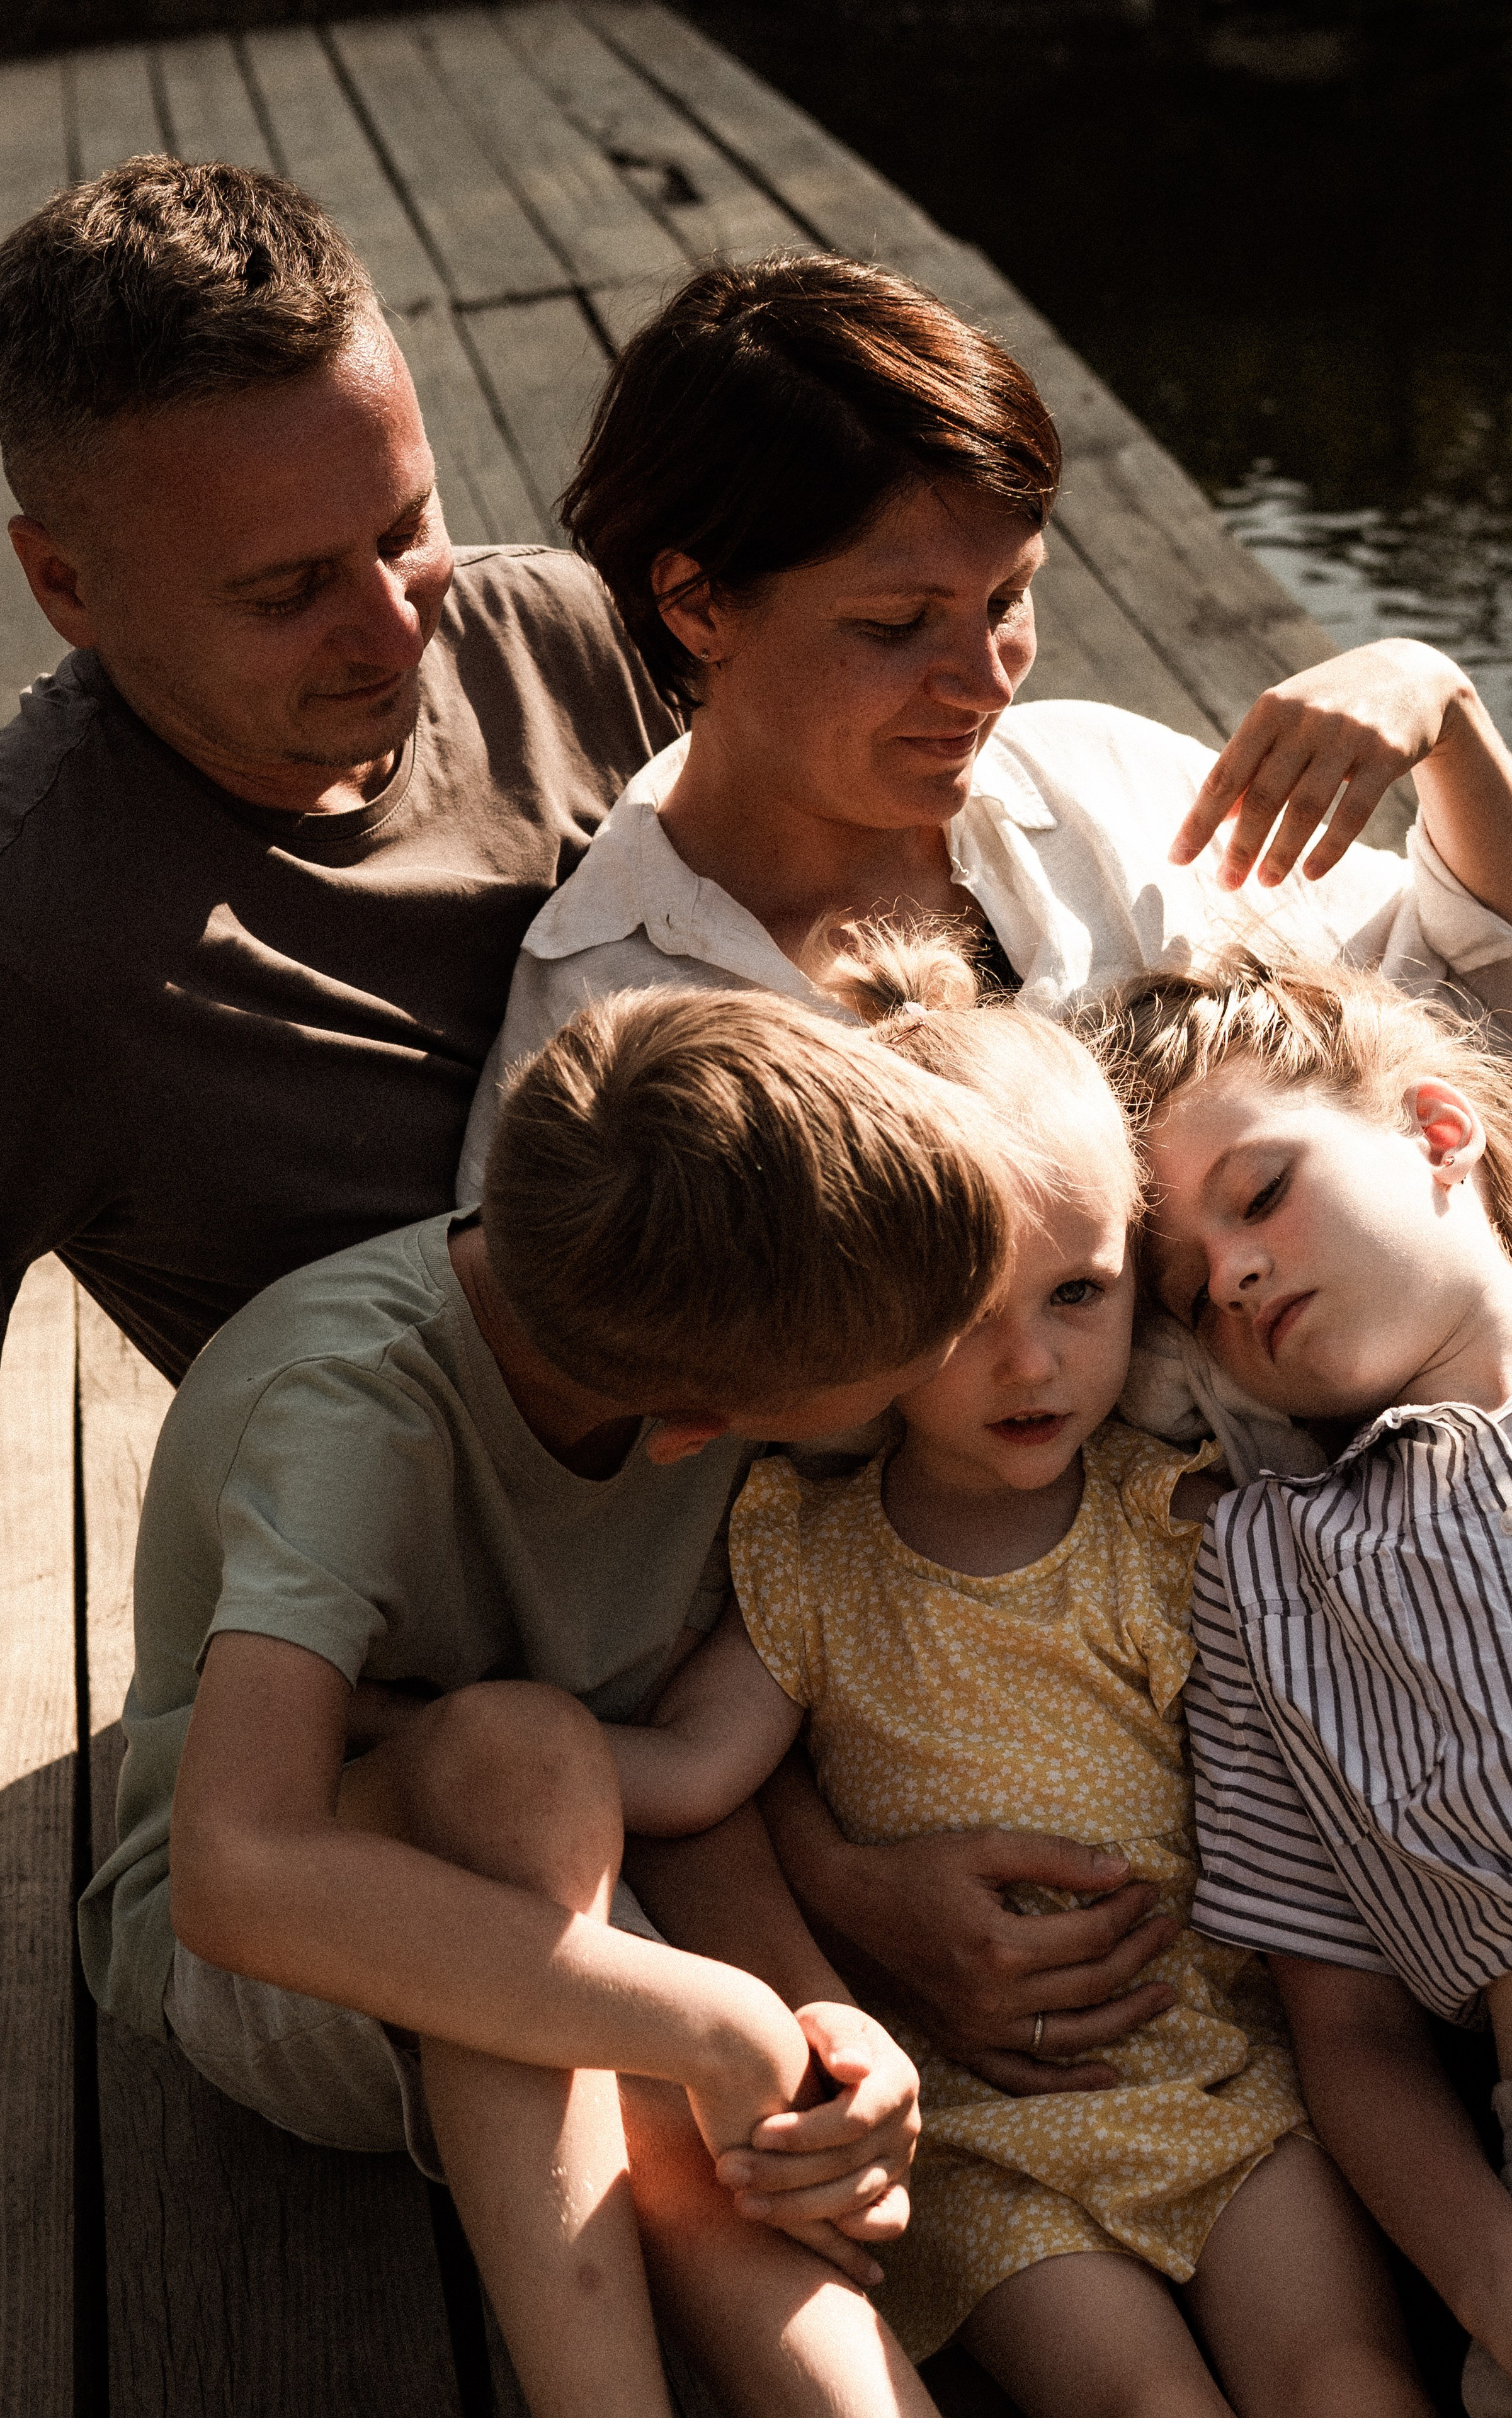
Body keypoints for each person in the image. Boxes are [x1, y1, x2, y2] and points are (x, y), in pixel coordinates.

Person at [457, 251, 1512, 2104]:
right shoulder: (617, 1039)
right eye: (898, 625)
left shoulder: (1095, 784)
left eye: (1011, 600)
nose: (983, 680)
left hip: (1421, 1666)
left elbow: (1449, 1001)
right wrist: (848, 1900)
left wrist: (1435, 702)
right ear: (696, 601)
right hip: (1101, 1852)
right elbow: (663, 1600)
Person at [81, 979, 1025, 2418]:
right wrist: (712, 2019)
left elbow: (687, 1777)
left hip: (604, 1872)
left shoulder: (687, 1326)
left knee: (625, 1979)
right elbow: (235, 1876)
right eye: (884, 1395)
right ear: (694, 1433)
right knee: (520, 1777)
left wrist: (819, 2018)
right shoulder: (350, 1408)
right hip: (279, 1974)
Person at [605, 929, 1427, 2417]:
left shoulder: (1178, 1521)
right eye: (965, 1317)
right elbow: (684, 1772)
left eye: (1077, 1296)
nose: (1031, 1368)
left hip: (1228, 2083)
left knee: (1345, 2380)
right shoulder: (808, 1555)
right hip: (989, 2125)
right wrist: (426, 1736)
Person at [0, 152, 676, 1423]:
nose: (395, 630)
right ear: (65, 587)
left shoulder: (559, 627)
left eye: (403, 531)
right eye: (286, 590)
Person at [1089, 950, 1512, 2418]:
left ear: (1436, 1131)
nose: (1238, 1273)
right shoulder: (1267, 1580)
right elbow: (1350, 2031)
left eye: (1259, 1193)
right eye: (1189, 1292)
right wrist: (1486, 2284)